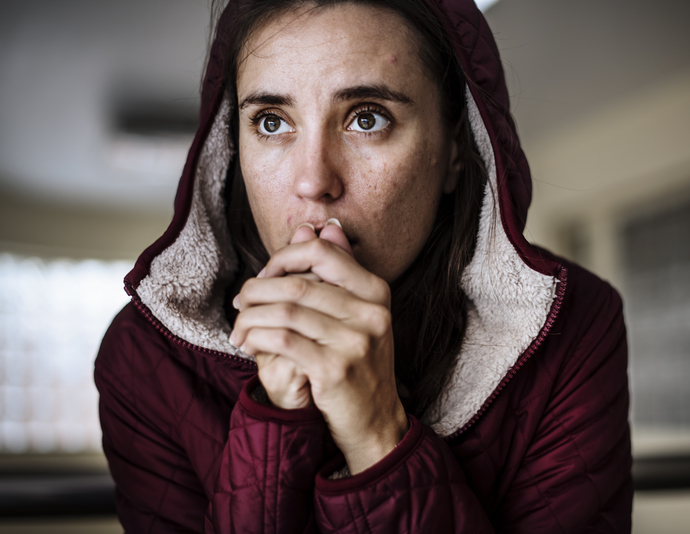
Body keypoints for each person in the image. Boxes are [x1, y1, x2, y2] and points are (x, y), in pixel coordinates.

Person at [95, 0, 633, 532]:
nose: (313, 181)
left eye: (366, 118)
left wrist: (378, 436)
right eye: (271, 121)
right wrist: (274, 420)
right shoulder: (145, 358)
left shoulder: (571, 329)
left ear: (454, 153)